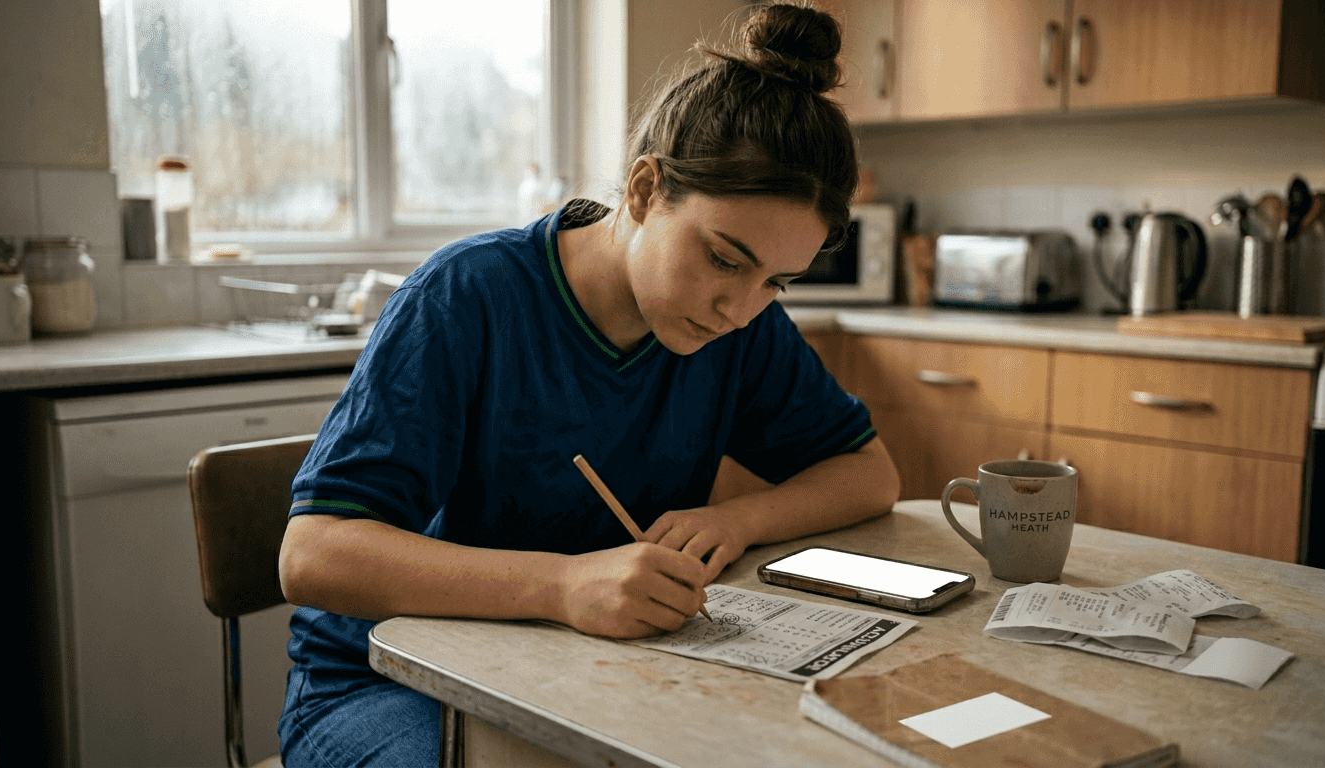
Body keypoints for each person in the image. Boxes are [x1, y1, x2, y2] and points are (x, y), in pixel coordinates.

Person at [276, 2, 901, 764]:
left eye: (777, 281)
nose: (739, 309)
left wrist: (741, 520)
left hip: (588, 674)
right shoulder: (466, 298)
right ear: (643, 191)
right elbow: (312, 555)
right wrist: (562, 587)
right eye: (724, 259)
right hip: (392, 686)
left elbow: (869, 475)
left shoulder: (742, 328)